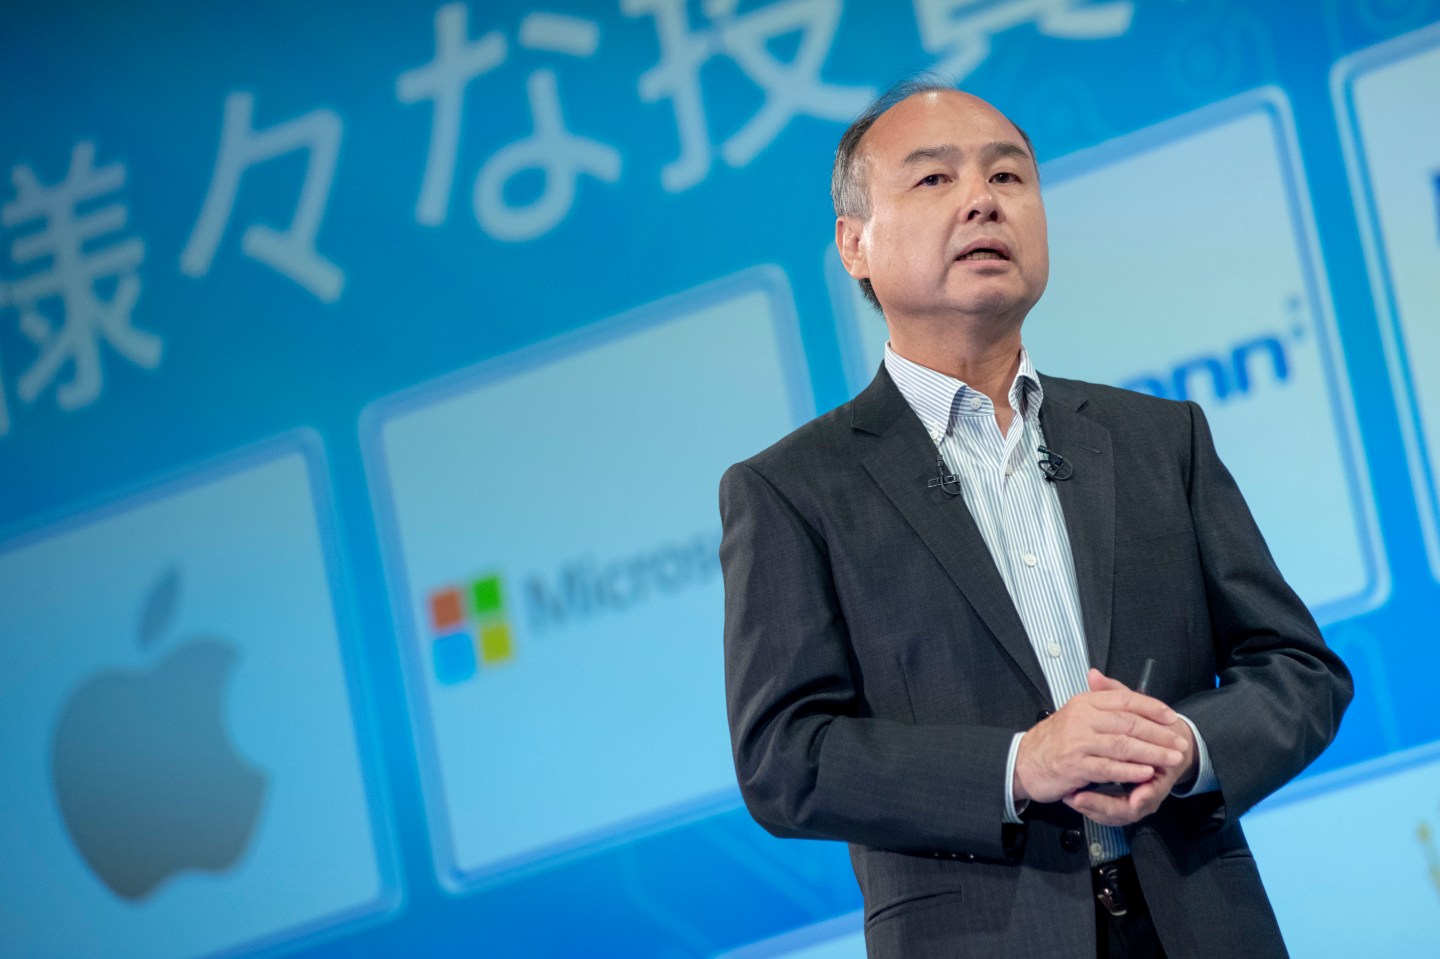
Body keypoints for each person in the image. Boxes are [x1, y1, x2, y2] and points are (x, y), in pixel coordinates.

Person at [718, 79, 1352, 959]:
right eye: (934, 180)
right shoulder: (794, 489)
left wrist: (1190, 744)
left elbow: (1298, 669)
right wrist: (1019, 765)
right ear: (855, 244)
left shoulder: (1157, 437)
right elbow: (787, 760)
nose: (983, 198)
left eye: (1009, 177)